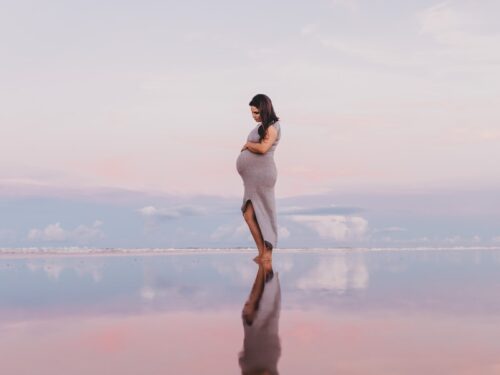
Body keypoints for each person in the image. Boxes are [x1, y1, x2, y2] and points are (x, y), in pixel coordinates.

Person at [236, 94, 282, 261]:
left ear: (265, 109)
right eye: (252, 113)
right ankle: (262, 251)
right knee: (248, 215)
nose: (254, 116)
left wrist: (248, 145)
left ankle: (267, 254)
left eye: (256, 112)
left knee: (264, 213)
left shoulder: (272, 127)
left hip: (263, 176)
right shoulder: (262, 126)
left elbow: (263, 148)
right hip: (252, 180)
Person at [238, 260, 282, 374]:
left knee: (256, 315)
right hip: (263, 355)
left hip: (260, 356)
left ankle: (265, 268)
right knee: (260, 313)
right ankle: (265, 268)